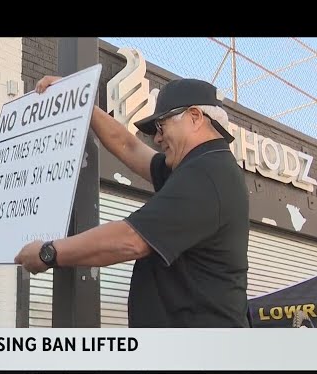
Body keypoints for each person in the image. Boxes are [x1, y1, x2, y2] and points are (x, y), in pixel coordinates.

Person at [14, 75, 251, 328]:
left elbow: (130, 240)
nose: (157, 138)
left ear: (194, 117)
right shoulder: (200, 167)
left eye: (161, 126)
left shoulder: (207, 175)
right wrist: (82, 102)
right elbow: (128, 146)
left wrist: (48, 253)